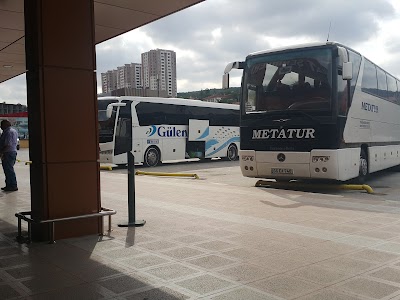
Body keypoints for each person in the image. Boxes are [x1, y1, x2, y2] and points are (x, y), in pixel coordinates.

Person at [0, 120, 18, 191]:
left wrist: (1, 152)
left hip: (8, 152)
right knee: (7, 170)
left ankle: (13, 185)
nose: (1, 127)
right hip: (11, 152)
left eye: (1, 125)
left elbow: (8, 144)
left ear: (5, 125)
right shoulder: (13, 130)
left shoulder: (8, 132)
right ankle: (9, 185)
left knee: (9, 170)